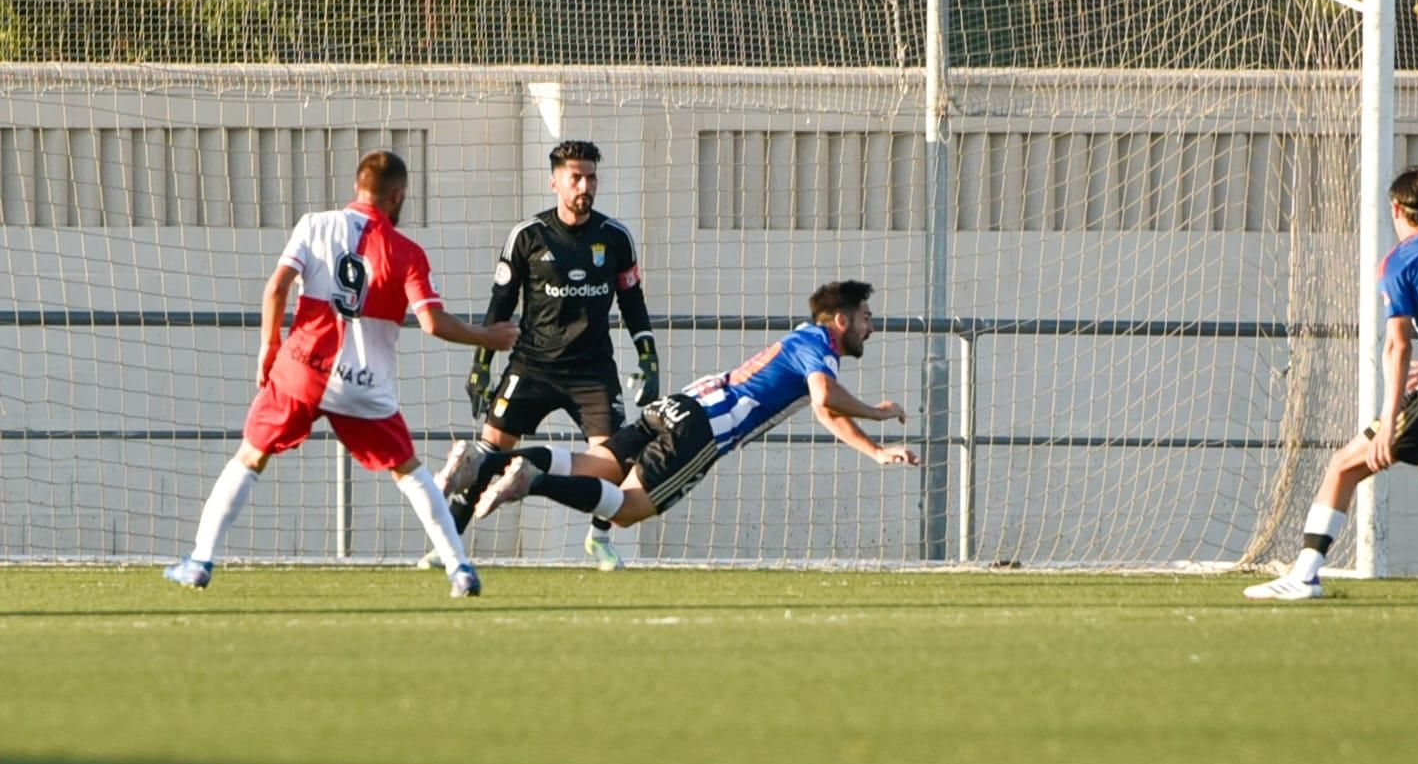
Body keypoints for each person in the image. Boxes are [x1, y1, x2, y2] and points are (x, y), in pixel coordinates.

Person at [163, 150, 519, 597]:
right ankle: (460, 569)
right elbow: (432, 323)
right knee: (409, 473)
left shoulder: (314, 224)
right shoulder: (407, 252)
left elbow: (276, 288)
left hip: (301, 369)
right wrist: (488, 337)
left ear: (358, 187)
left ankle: (199, 561)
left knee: (251, 456)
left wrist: (269, 348)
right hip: (364, 384)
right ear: (398, 196)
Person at [454, 280, 919, 542]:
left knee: (595, 466)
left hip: (681, 402)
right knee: (627, 511)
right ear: (842, 321)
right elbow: (825, 397)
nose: (871, 328)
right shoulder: (822, 346)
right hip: (705, 428)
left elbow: (825, 412)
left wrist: (875, 451)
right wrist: (877, 413)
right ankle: (533, 482)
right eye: (865, 318)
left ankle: (483, 461)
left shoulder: (803, 337)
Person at [1246, 165, 1418, 601]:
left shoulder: (1401, 260)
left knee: (1344, 465)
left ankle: (1304, 575)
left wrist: (1390, 418)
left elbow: (1397, 345)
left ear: (1396, 209)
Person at [423, 140, 658, 572]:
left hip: (592, 372)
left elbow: (633, 301)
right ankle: (449, 543)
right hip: (532, 367)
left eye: (590, 177)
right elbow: (498, 309)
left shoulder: (615, 238)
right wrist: (481, 366)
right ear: (555, 182)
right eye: (576, 177)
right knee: (485, 453)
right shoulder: (527, 236)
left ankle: (599, 539)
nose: (584, 185)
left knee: (613, 463)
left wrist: (648, 357)